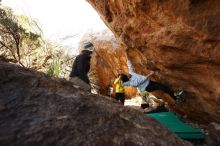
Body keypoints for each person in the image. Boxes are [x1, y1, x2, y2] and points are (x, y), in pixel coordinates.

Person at [120, 59, 185, 104]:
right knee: (162, 87)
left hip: (150, 83)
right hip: (148, 87)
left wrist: (127, 58)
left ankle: (176, 97)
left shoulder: (131, 73)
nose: (127, 73)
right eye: (126, 74)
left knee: (163, 87)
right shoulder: (132, 83)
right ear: (127, 77)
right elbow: (143, 79)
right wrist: (151, 73)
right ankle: (176, 97)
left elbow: (130, 66)